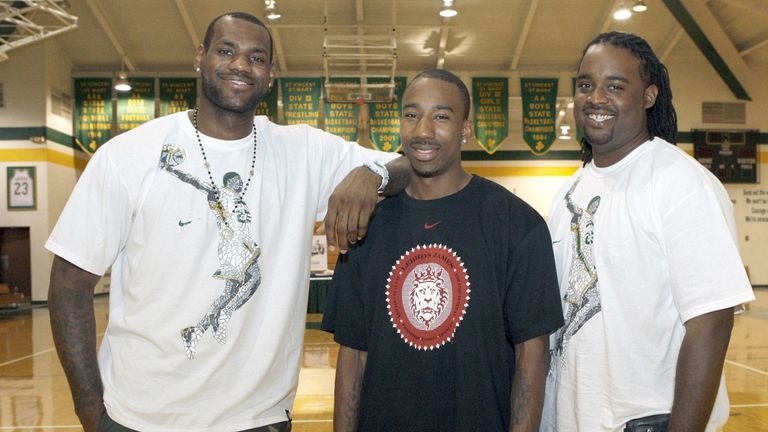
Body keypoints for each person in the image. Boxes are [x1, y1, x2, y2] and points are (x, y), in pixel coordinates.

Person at [46, 12, 410, 432]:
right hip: (141, 418)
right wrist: (91, 412)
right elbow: (69, 283)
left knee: (246, 280)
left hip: (259, 419)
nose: (241, 64)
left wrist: (373, 173)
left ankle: (210, 321)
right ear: (200, 58)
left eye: (257, 57)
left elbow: (407, 167)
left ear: (271, 74)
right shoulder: (127, 155)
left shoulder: (304, 153)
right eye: (226, 50)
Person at [321, 69, 564, 432]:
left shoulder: (517, 224)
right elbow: (353, 354)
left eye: (441, 116)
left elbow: (532, 352)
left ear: (466, 128)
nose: (422, 130)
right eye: (412, 114)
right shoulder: (367, 226)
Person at [541, 31, 755, 432]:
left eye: (616, 86)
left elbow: (711, 321)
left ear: (649, 96)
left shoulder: (680, 182)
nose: (596, 97)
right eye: (586, 85)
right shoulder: (570, 190)